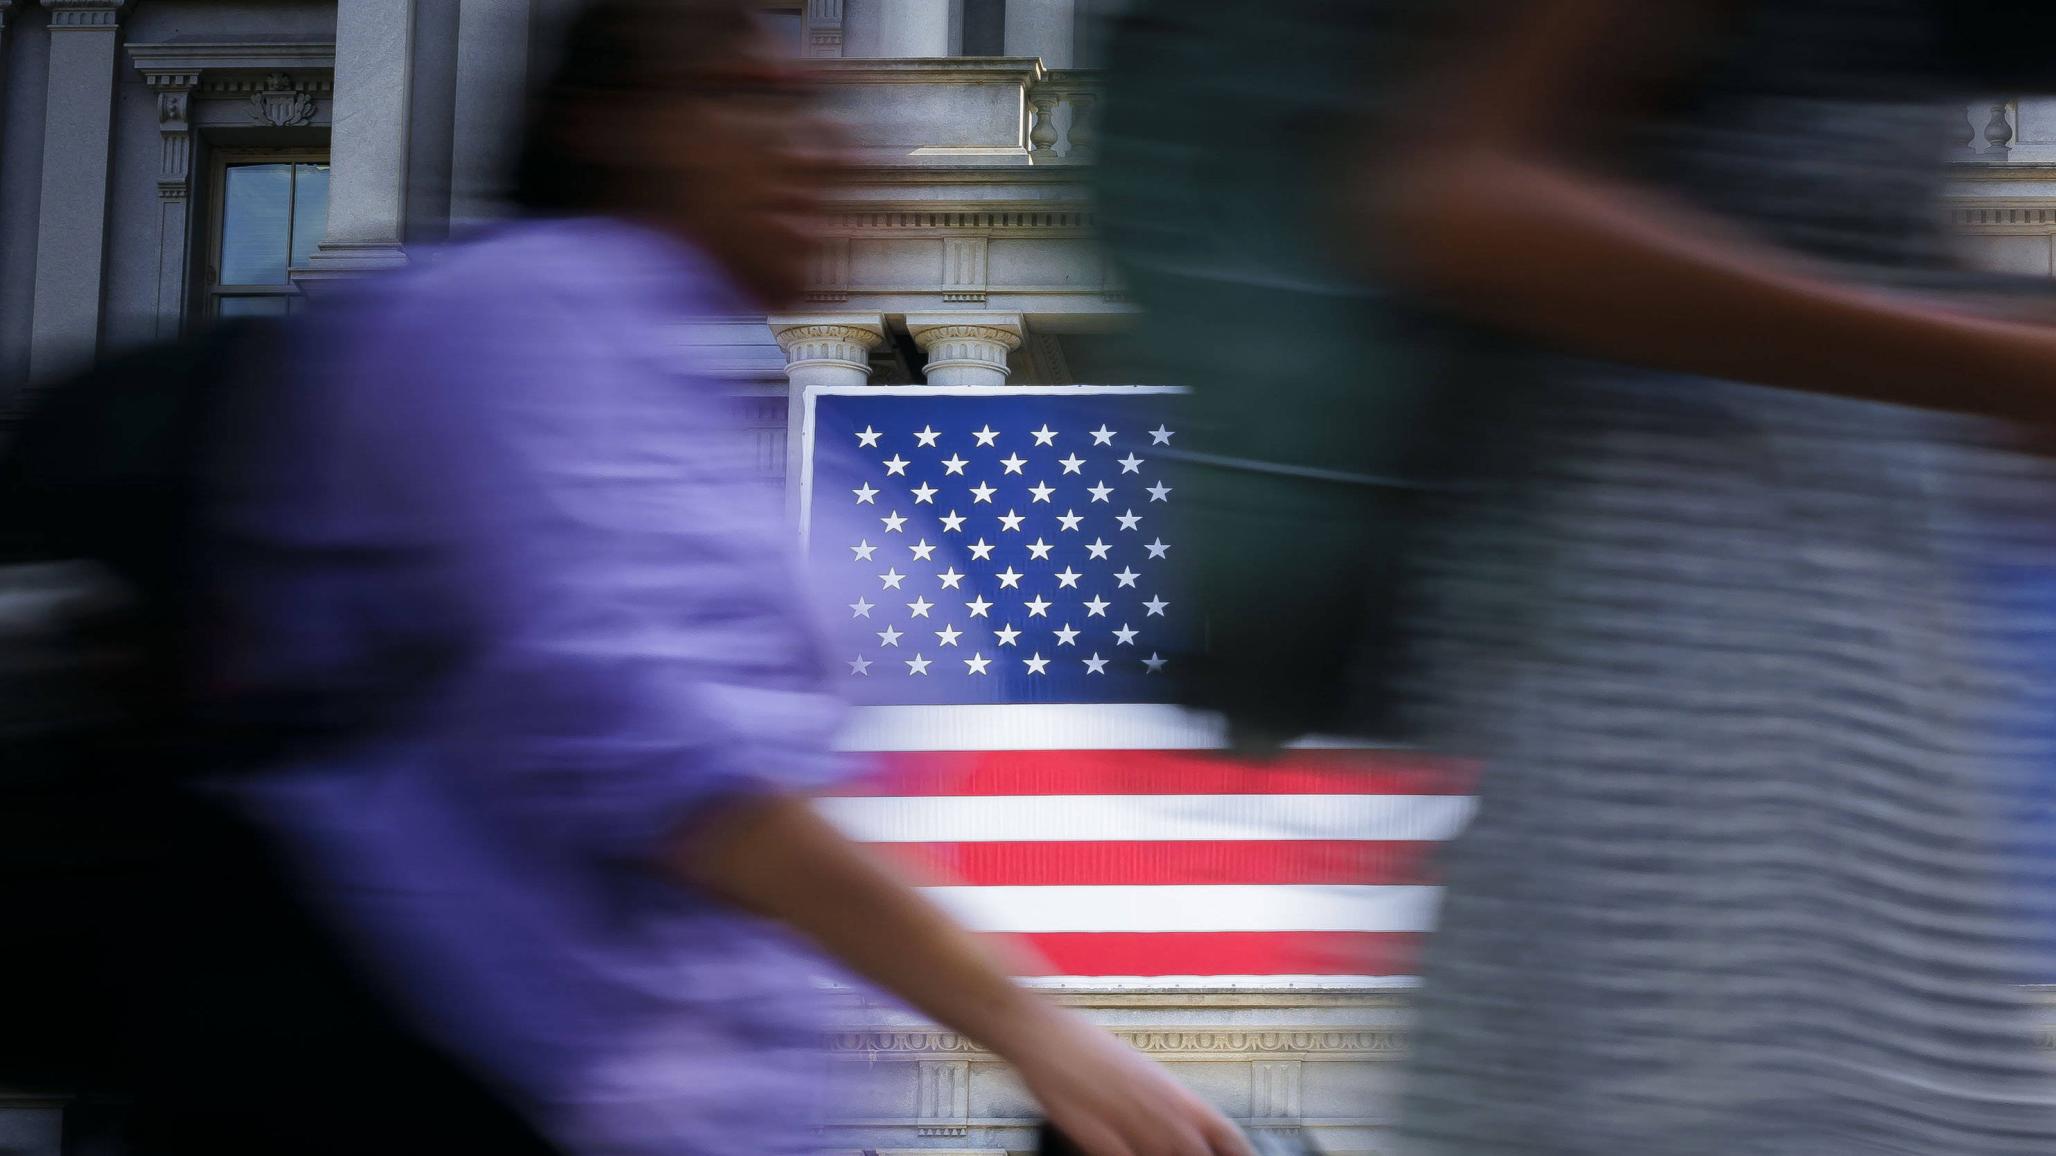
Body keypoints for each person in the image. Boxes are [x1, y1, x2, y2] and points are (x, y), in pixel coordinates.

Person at [185, 3, 1253, 1155]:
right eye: (756, 99)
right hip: (484, 1095)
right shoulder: (515, 317)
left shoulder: (685, 397)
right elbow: (685, 766)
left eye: (823, 107)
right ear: (612, 128)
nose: (825, 145)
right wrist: (1042, 1033)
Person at [1345, 1, 2056, 1153]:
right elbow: (1455, 195)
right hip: (1682, 631)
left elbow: (1809, 195)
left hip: (1859, 626)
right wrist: (1998, 368)